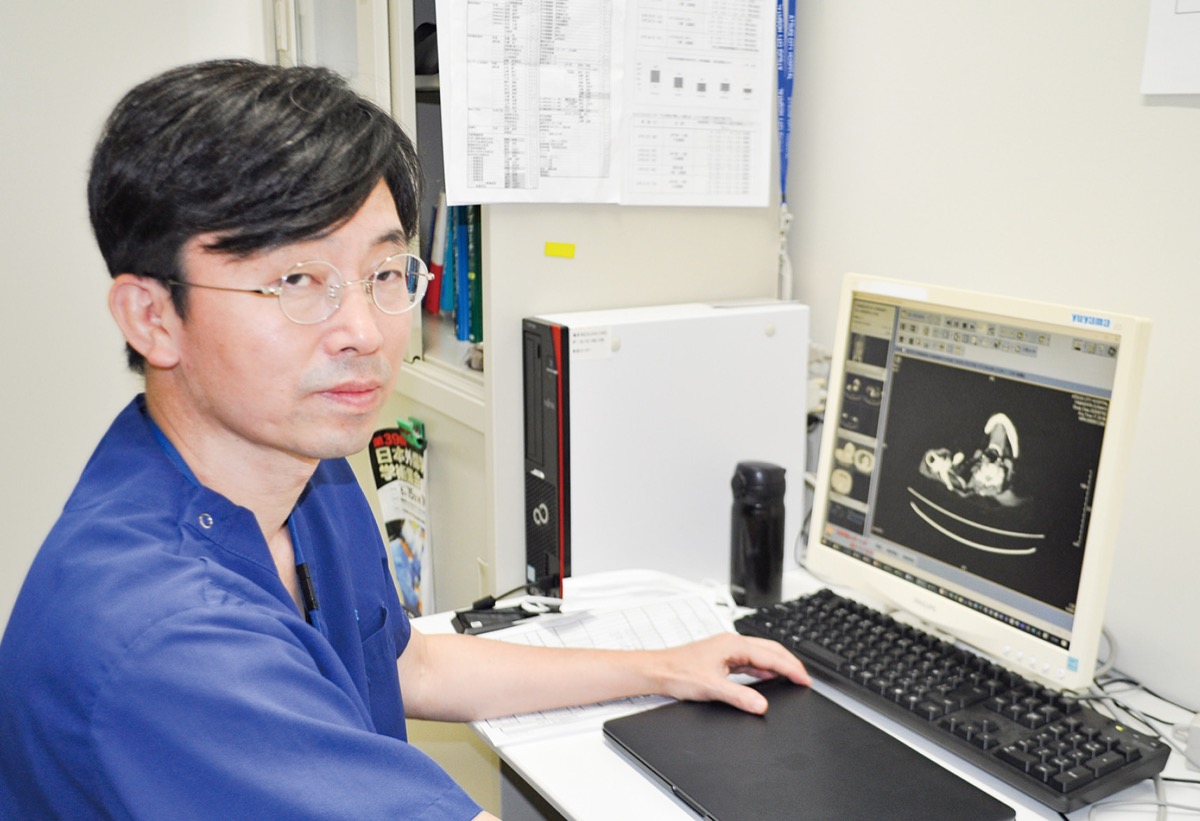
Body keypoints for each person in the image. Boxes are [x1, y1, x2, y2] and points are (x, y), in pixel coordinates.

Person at [0, 60, 809, 819]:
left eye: (386, 274)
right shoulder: (165, 639)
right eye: (296, 279)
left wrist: (658, 666)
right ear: (152, 316)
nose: (363, 330)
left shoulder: (301, 472)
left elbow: (406, 663)